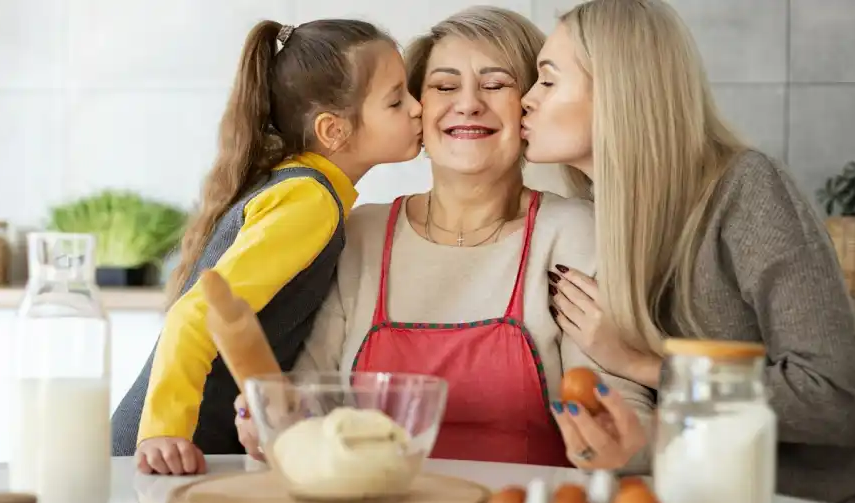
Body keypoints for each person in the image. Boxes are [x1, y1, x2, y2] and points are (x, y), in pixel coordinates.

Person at [234, 6, 654, 473]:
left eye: (496, 85)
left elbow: (624, 414)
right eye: (445, 86)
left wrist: (622, 443)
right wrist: (271, 421)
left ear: (531, 104)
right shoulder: (359, 235)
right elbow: (308, 394)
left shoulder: (575, 234)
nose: (469, 104)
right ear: (417, 108)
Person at [520, 0, 855, 503]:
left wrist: (642, 364)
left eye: (547, 80)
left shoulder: (746, 190)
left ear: (618, 90)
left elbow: (837, 398)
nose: (526, 99)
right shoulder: (586, 215)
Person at [110, 18, 423, 476]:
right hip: (165, 454)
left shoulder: (302, 187)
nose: (418, 108)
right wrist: (164, 430)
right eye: (397, 100)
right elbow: (195, 314)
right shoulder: (310, 201)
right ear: (334, 130)